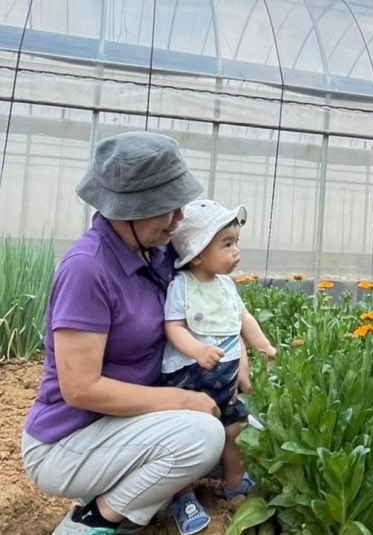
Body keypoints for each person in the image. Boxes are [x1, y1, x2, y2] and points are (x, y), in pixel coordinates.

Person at [21, 131, 226, 535]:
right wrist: (182, 400)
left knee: (233, 433)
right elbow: (80, 389)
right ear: (128, 210)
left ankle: (128, 498)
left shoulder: (156, 250)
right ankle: (95, 520)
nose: (179, 218)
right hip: (69, 440)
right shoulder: (87, 269)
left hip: (125, 426)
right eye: (166, 208)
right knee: (201, 437)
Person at [161, 199, 277, 518]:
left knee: (233, 429)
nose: (236, 251)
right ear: (198, 254)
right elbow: (173, 328)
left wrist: (264, 346)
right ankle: (181, 494)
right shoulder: (182, 286)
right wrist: (197, 351)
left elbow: (243, 319)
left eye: (236, 242)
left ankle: (234, 482)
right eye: (227, 244)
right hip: (190, 376)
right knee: (187, 436)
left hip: (224, 378)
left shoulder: (226, 286)